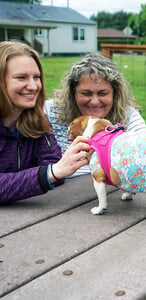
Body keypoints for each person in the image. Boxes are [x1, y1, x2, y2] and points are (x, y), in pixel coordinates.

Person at [0, 41, 89, 204]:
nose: (34, 86)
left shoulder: (36, 120)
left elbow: (55, 168)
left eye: (36, 77)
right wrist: (48, 174)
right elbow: (53, 172)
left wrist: (52, 172)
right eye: (21, 77)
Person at [44, 53, 146, 176]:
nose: (94, 101)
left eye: (102, 93)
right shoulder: (49, 112)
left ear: (114, 94)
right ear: (73, 93)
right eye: (86, 93)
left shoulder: (127, 116)